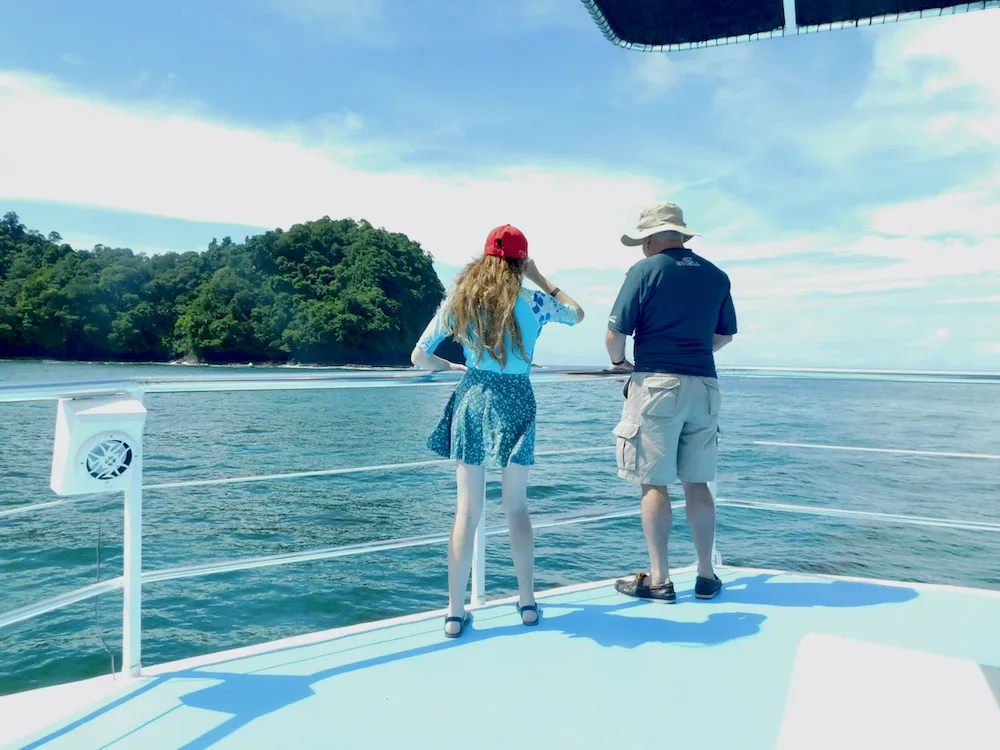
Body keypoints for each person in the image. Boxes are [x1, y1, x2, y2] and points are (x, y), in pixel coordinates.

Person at [411, 225, 584, 637]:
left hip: (474, 397)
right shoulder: (536, 302)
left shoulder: (462, 302)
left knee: (467, 510)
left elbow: (420, 356)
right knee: (517, 507)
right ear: (521, 263)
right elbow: (577, 314)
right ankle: (526, 602)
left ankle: (455, 613)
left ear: (485, 260)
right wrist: (541, 278)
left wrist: (453, 367)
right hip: (518, 400)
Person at [605, 202, 737, 603]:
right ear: (682, 234)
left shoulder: (645, 271)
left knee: (654, 482)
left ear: (650, 238)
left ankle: (660, 579)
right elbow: (724, 336)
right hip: (705, 386)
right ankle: (706, 574)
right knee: (697, 483)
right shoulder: (717, 276)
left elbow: (615, 335)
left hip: (658, 384)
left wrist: (619, 364)